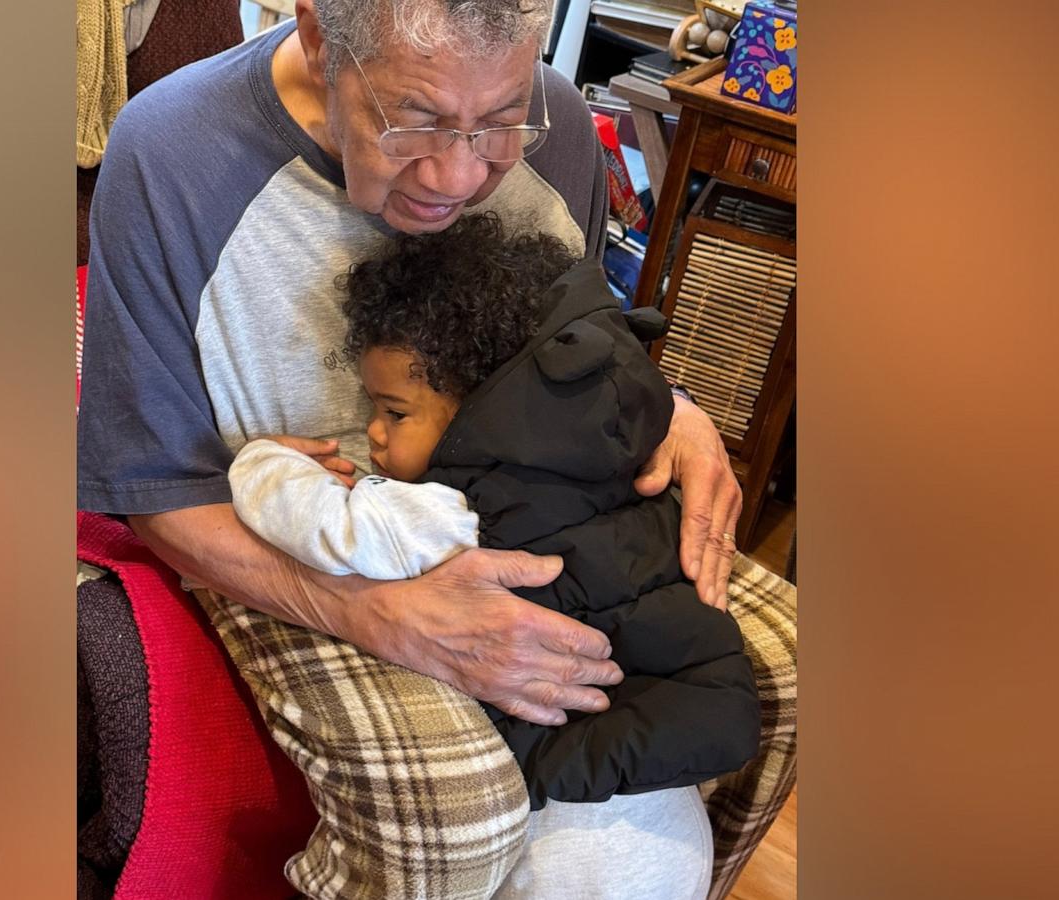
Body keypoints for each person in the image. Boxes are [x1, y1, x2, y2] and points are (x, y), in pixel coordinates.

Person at [76, 0, 745, 895]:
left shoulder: (559, 130)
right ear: (319, 37)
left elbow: (578, 331)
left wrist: (675, 408)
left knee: (779, 689)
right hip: (299, 530)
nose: (460, 173)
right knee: (454, 808)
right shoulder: (172, 151)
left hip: (527, 502)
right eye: (414, 120)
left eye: (500, 117)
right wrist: (372, 612)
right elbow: (151, 485)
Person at [229, 213, 763, 810]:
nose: (374, 434)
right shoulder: (620, 447)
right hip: (699, 682)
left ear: (480, 409)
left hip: (575, 712)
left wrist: (263, 464)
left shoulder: (451, 510)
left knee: (510, 778)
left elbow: (329, 530)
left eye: (395, 413)